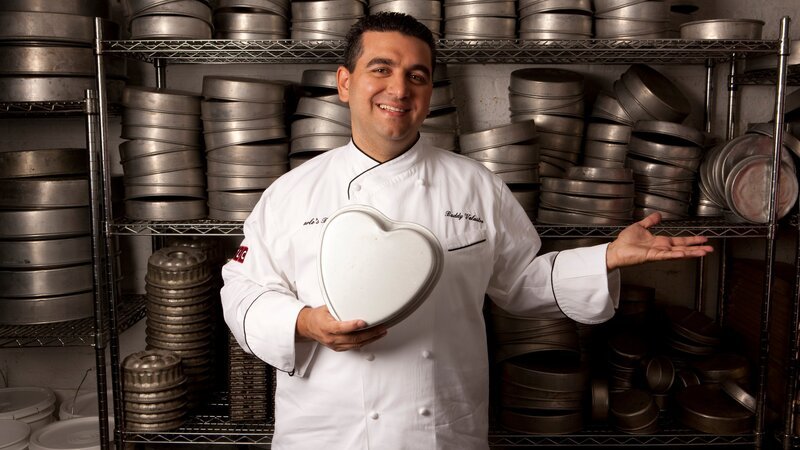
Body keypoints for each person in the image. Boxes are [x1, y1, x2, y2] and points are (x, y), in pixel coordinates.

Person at [220, 12, 713, 450]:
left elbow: (520, 283)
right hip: (325, 431)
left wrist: (605, 257)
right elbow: (242, 292)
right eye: (381, 69)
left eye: (417, 75)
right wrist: (305, 323)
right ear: (345, 83)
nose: (399, 89)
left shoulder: (475, 185)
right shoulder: (290, 193)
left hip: (438, 431)